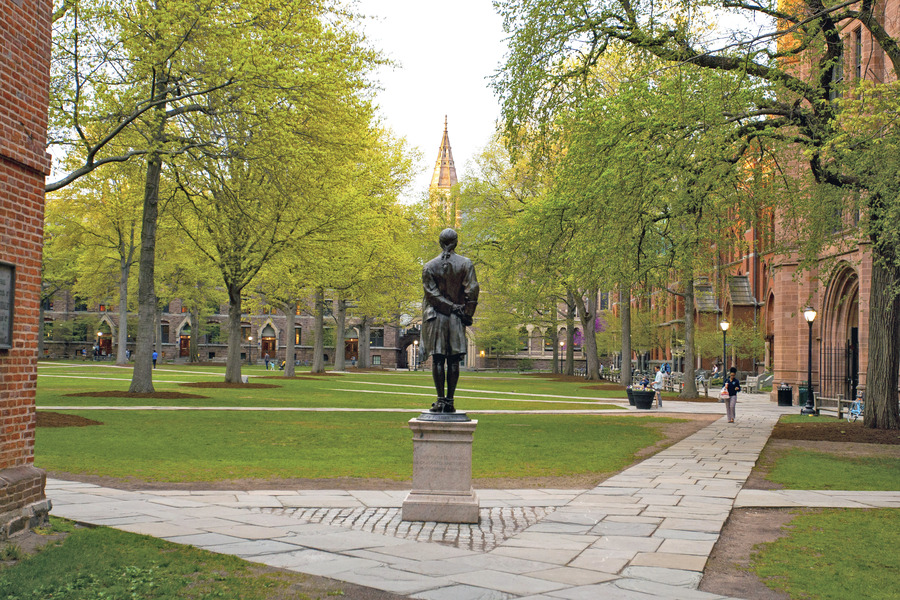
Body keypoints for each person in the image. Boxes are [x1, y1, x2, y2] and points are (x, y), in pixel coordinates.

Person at [421, 228, 479, 413]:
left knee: (438, 359)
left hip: (437, 316)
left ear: (440, 243)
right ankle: (450, 401)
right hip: (456, 317)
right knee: (453, 360)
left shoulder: (429, 266)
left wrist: (451, 307)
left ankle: (440, 401)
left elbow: (431, 295)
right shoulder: (466, 264)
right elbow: (472, 290)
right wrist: (466, 314)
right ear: (456, 243)